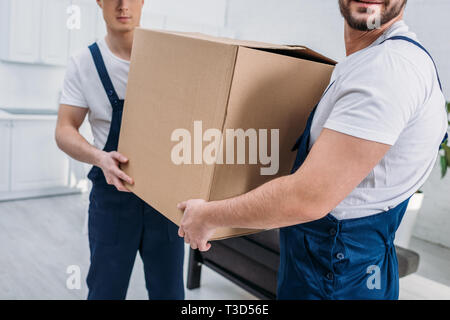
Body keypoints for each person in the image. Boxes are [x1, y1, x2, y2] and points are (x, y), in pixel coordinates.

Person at [177, 0, 448, 299]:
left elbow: (308, 197)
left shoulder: (386, 70)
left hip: (336, 275)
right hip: (340, 264)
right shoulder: (385, 57)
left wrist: (208, 216)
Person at [55, 0, 184, 300]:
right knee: (105, 292)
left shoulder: (172, 59)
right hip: (111, 203)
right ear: (99, 1)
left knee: (170, 293)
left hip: (164, 202)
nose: (123, 5)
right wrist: (100, 158)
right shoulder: (83, 62)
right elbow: (64, 129)